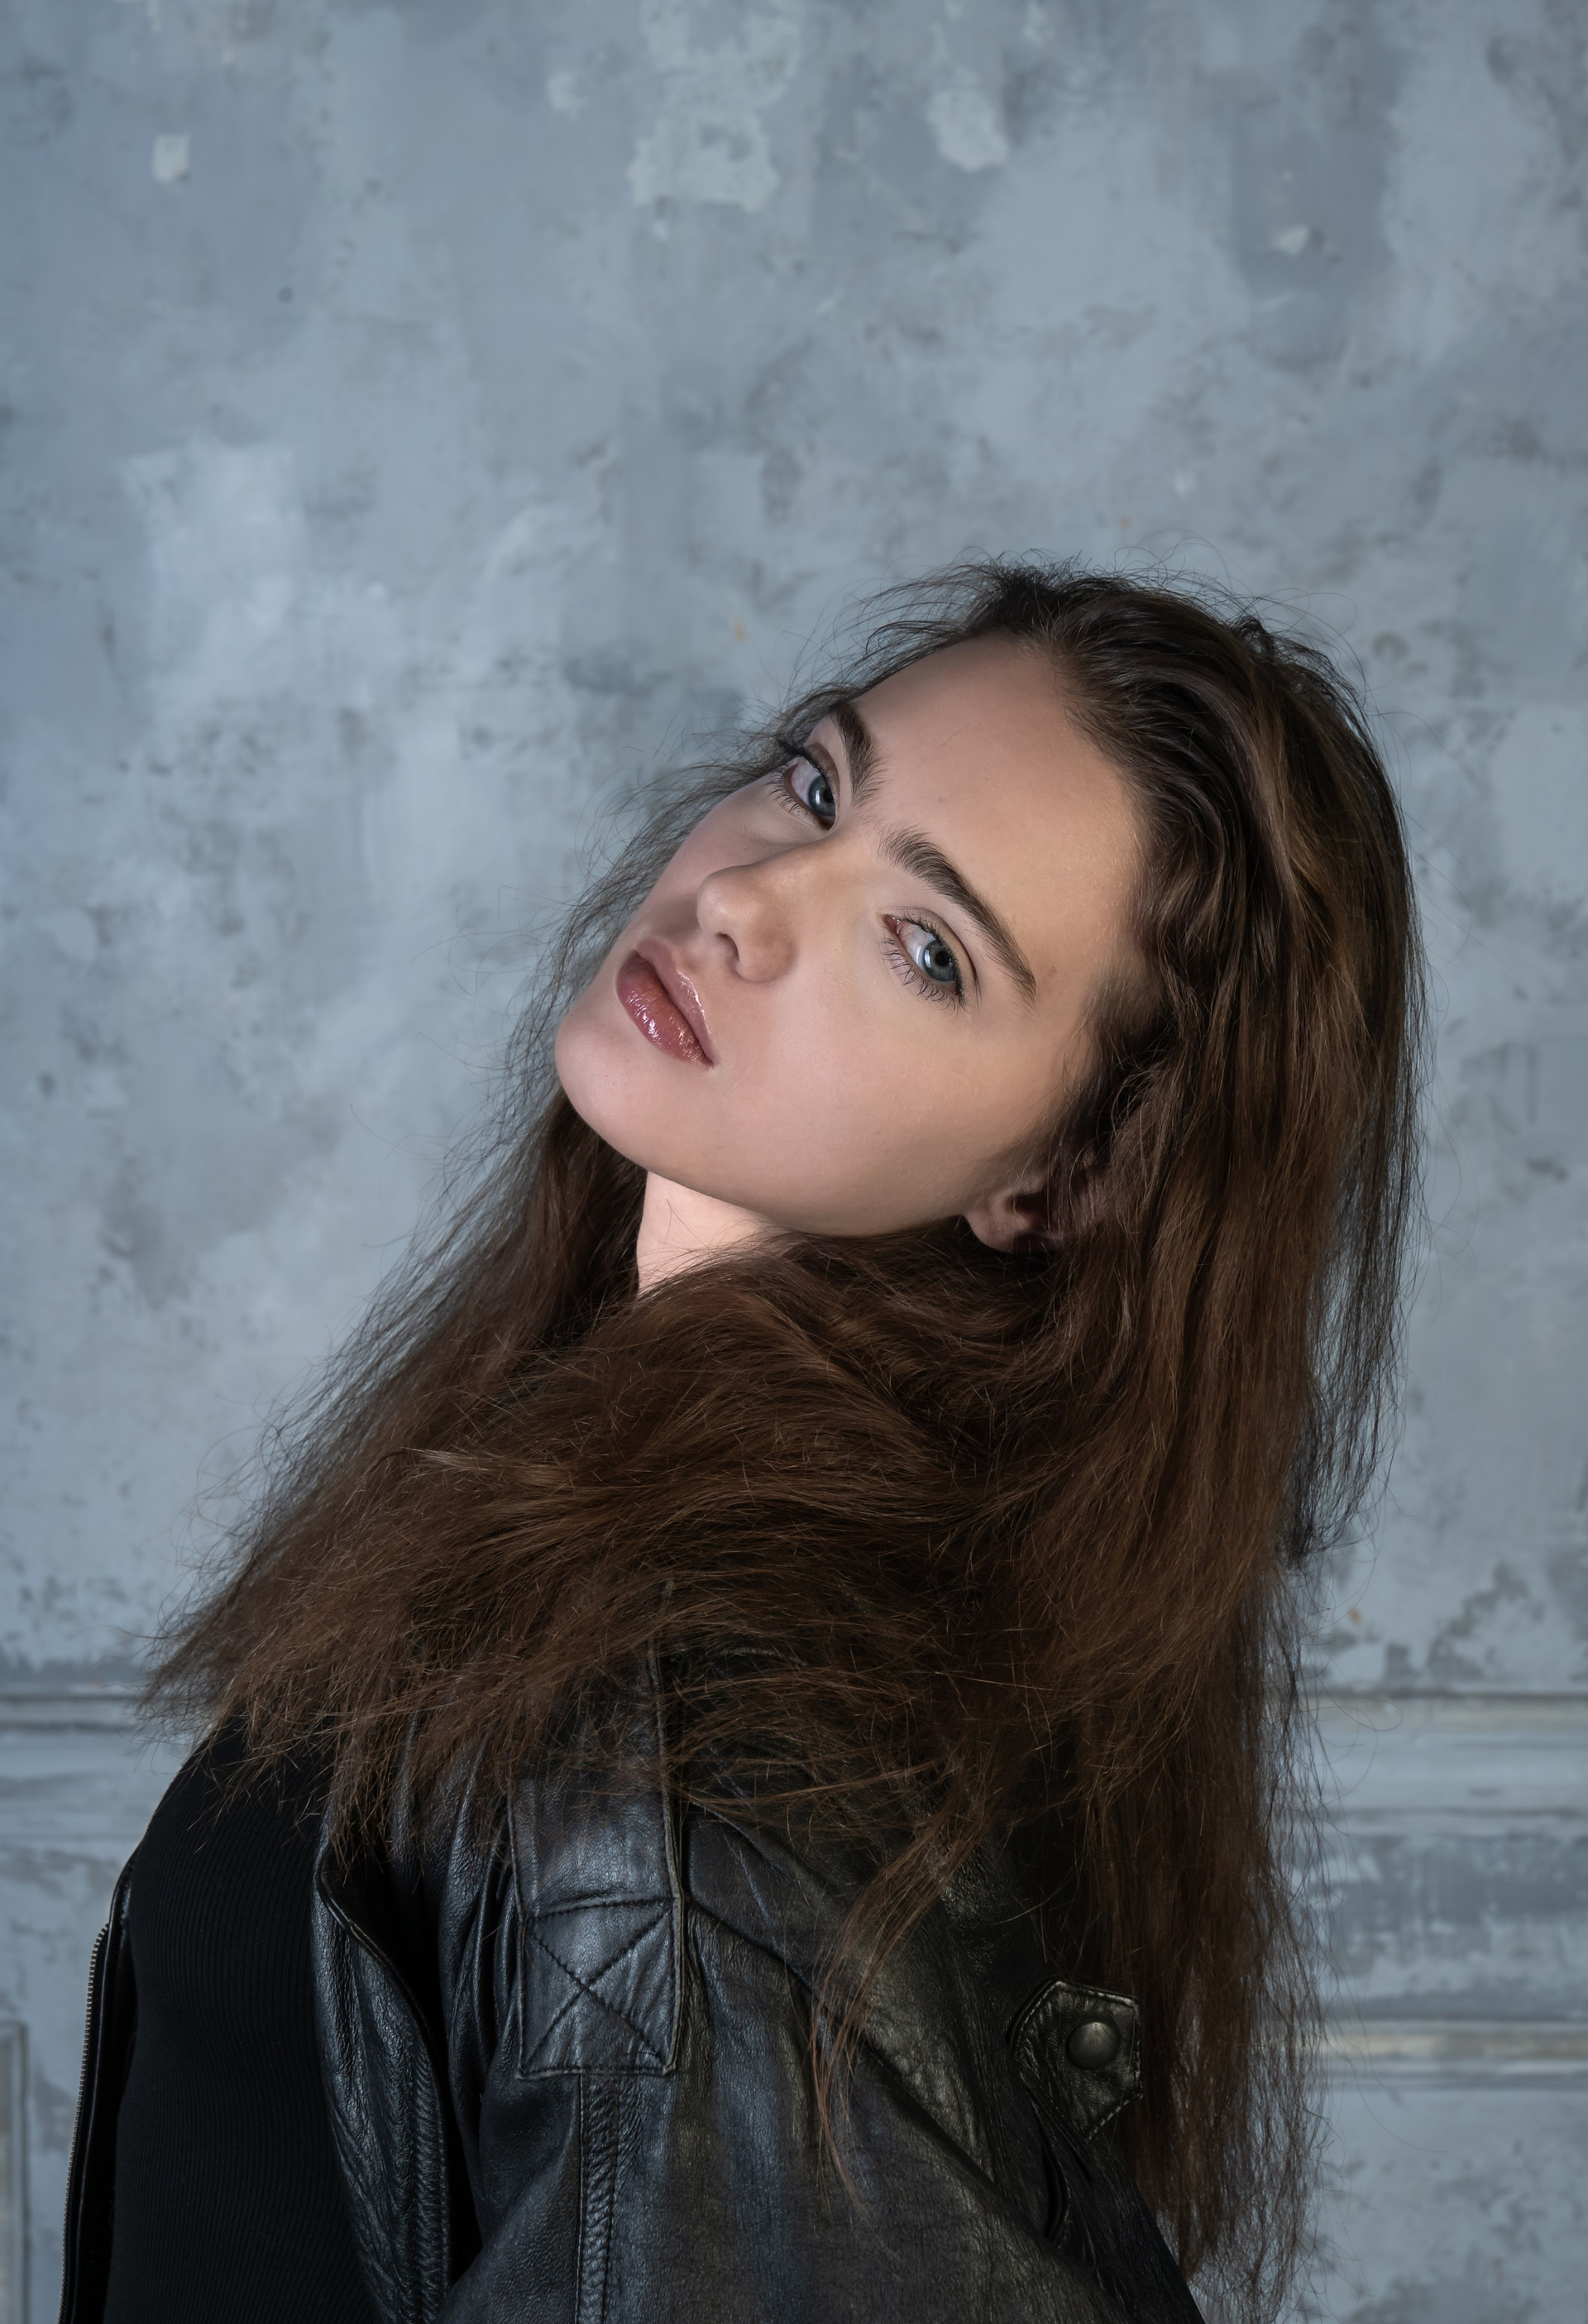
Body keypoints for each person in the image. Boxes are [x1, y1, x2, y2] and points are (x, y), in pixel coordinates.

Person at [59, 561, 1423, 2324]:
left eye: (925, 947)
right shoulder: (624, 1499)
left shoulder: (695, 1740)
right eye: (815, 782)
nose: (751, 898)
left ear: (1062, 1177)